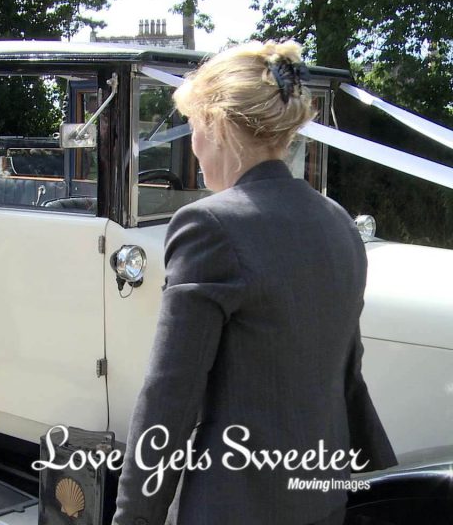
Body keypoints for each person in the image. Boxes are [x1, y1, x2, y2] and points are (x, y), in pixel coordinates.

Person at [111, 41, 397, 525]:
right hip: (323, 498)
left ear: (217, 127)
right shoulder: (339, 224)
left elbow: (170, 398)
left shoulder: (209, 226)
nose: (194, 147)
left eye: (194, 130)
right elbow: (347, 380)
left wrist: (134, 518)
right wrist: (382, 489)